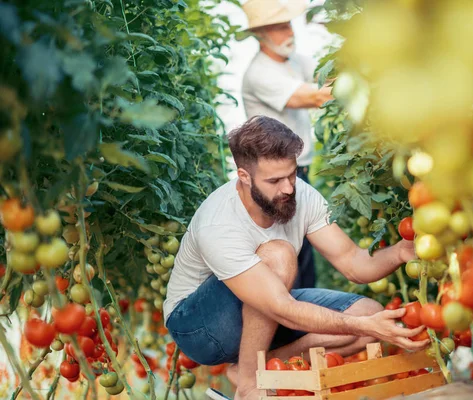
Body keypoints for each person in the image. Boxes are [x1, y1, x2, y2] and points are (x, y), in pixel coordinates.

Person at [163, 116, 429, 400]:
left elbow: (353, 262)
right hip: (198, 327)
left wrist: (400, 252)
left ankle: (248, 367)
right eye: (275, 180)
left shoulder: (300, 195)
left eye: (291, 174)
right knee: (278, 254)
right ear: (243, 176)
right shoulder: (217, 223)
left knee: (369, 314)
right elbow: (279, 306)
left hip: (264, 313)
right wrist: (360, 326)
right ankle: (250, 387)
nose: (288, 188)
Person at [240, 0, 334, 289]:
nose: (288, 32)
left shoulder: (293, 61)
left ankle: (309, 322)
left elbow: (324, 75)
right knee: (288, 253)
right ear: (261, 34)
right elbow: (314, 97)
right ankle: (291, 325)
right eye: (279, 27)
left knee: (304, 250)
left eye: (288, 24)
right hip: (274, 178)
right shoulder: (260, 73)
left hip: (298, 171)